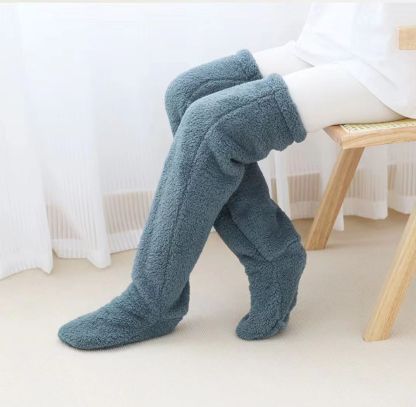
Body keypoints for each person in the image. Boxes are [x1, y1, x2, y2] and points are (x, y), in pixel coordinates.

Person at [58, 3, 415, 350]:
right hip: (334, 42)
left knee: (210, 126)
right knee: (186, 94)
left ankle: (151, 302)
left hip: (391, 68)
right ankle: (272, 253)